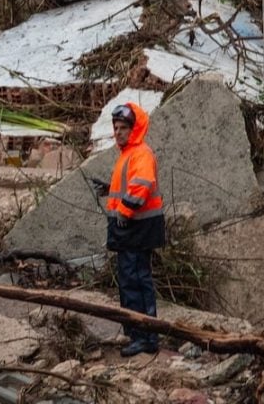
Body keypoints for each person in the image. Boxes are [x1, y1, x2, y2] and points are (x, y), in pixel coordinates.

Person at [99, 102, 166, 357]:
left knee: (137, 281)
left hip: (137, 229)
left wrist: (124, 213)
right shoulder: (128, 154)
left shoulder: (140, 153)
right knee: (130, 281)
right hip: (131, 230)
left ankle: (146, 337)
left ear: (134, 128)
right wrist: (108, 189)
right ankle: (135, 333)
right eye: (116, 127)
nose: (118, 132)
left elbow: (142, 186)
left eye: (123, 127)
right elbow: (132, 185)